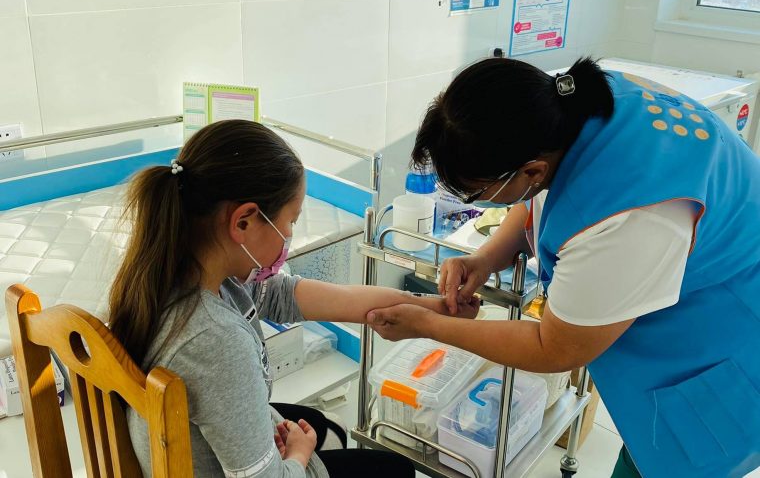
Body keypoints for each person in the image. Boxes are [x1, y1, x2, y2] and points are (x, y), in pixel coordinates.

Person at [365, 57, 760, 478]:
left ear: (531, 169)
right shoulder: (564, 105)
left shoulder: (630, 219)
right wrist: (486, 257)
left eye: (478, 194)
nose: (479, 202)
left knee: (674, 453)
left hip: (721, 346)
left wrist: (428, 325)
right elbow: (540, 193)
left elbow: (555, 347)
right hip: (696, 286)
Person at [109, 119, 478, 478]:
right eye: (291, 221)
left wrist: (431, 307)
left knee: (324, 427)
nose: (289, 235)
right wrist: (299, 455)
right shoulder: (217, 341)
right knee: (394, 469)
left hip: (197, 451)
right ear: (243, 222)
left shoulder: (179, 273)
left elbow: (313, 296)